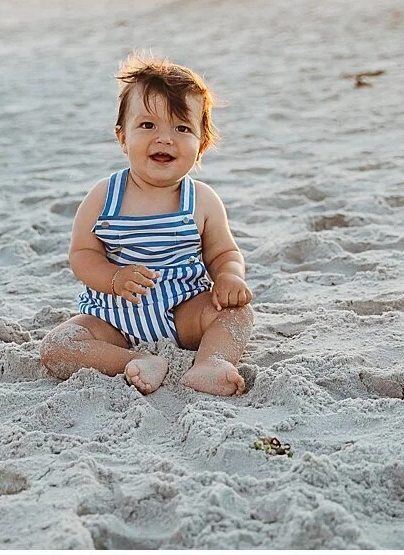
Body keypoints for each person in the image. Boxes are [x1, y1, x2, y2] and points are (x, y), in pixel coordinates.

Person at [40, 56, 253, 397]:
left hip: (183, 312)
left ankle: (211, 362)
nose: (165, 139)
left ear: (202, 145)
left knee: (236, 314)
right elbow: (82, 254)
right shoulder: (104, 196)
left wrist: (229, 276)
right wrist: (113, 278)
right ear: (122, 137)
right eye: (148, 126)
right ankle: (132, 361)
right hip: (114, 317)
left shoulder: (201, 200)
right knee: (58, 345)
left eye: (182, 128)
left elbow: (223, 251)